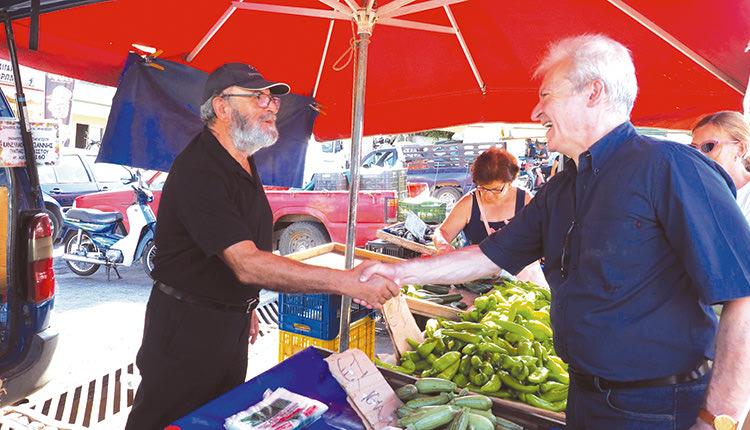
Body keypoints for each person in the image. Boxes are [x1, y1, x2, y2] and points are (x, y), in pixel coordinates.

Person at [361, 34, 750, 429]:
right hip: (583, 397)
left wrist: (717, 418)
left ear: (594, 92)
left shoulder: (673, 168)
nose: (535, 110)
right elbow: (489, 255)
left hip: (657, 406)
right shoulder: (561, 189)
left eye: (546, 95)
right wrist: (398, 273)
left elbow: (744, 299)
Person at [125, 63, 399, 430]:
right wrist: (345, 281)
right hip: (186, 330)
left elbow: (231, 248)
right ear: (222, 107)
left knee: (215, 416)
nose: (272, 106)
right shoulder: (200, 169)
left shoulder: (241, 159)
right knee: (167, 418)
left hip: (227, 322)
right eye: (259, 97)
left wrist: (245, 302)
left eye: (272, 98)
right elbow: (247, 262)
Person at [433, 147, 531, 253]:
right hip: (479, 268)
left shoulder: (526, 201)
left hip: (519, 268)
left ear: (510, 182)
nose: (488, 195)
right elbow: (443, 231)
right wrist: (443, 244)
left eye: (496, 189)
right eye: (483, 188)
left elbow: (544, 237)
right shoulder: (470, 203)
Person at [691, 111, 750, 223]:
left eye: (708, 146)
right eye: (693, 149)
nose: (699, 155)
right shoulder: (696, 191)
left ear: (740, 149)